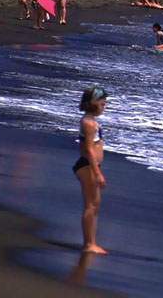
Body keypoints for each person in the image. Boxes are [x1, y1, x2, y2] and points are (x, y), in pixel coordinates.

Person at [73, 85, 109, 254]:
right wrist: (97, 173)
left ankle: (92, 241)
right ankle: (88, 244)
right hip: (88, 166)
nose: (104, 106)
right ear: (92, 103)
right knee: (90, 205)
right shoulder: (88, 123)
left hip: (92, 166)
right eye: (102, 103)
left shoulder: (92, 122)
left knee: (95, 205)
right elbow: (88, 149)